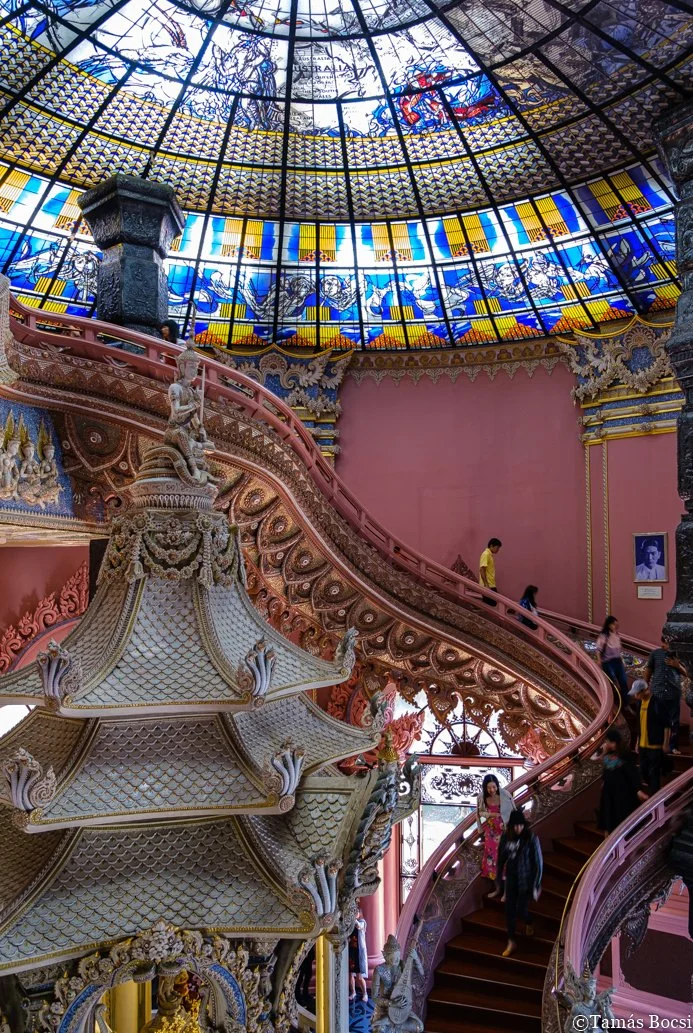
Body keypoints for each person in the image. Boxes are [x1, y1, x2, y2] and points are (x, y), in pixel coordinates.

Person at [496, 809, 543, 958]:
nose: (518, 828)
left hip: (526, 879)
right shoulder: (506, 837)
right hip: (511, 877)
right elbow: (501, 857)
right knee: (509, 910)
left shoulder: (531, 838)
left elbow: (538, 863)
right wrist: (499, 879)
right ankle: (511, 941)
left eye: (520, 825)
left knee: (521, 910)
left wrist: (536, 885)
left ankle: (529, 921)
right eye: (515, 826)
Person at [597, 728, 647, 836]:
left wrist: (638, 790)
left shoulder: (625, 755)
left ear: (614, 742)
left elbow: (632, 774)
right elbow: (606, 773)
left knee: (620, 820)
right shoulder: (607, 756)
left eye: (608, 741)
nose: (606, 743)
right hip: (609, 794)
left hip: (622, 794)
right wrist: (604, 783)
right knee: (608, 820)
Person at [645, 633, 685, 755]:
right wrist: (645, 687)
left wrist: (677, 666)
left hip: (674, 693)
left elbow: (688, 673)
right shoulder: (655, 654)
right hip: (658, 692)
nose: (665, 645)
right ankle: (656, 744)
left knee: (674, 721)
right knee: (656, 720)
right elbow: (648, 671)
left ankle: (673, 746)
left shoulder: (679, 655)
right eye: (664, 642)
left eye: (668, 643)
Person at [476, 774, 514, 892]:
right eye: (489, 788)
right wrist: (490, 814)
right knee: (492, 859)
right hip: (491, 832)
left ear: (497, 786)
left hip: (505, 831)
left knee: (506, 858)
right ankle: (497, 888)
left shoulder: (505, 795)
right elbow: (480, 812)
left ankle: (507, 890)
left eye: (494, 787)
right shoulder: (482, 797)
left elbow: (513, 811)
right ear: (485, 788)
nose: (492, 790)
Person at [634, 680, 672, 794]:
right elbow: (639, 724)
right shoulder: (639, 703)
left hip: (655, 746)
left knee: (654, 774)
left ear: (644, 691)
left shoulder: (657, 703)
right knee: (643, 772)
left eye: (637, 693)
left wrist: (665, 743)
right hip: (642, 746)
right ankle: (654, 794)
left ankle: (654, 797)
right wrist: (637, 742)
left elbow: (667, 725)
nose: (635, 696)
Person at [596, 616, 629, 706]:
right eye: (613, 624)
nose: (616, 626)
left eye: (616, 624)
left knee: (623, 682)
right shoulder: (604, 636)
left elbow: (618, 650)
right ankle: (613, 702)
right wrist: (599, 660)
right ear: (609, 625)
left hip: (618, 661)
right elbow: (598, 649)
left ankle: (626, 704)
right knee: (613, 683)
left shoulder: (617, 634)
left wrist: (622, 661)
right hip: (608, 662)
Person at [348, 907, 368, 1002]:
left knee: (359, 976)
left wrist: (353, 919)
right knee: (350, 974)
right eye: (354, 912)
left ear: (360, 913)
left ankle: (365, 993)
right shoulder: (351, 923)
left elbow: (359, 926)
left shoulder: (362, 922)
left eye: (356, 912)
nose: (355, 913)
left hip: (359, 951)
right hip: (351, 950)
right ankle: (353, 992)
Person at [479, 538, 502, 605]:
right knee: (493, 605)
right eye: (497, 548)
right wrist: (486, 585)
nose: (498, 550)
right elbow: (482, 570)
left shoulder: (490, 555)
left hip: (491, 584)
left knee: (494, 604)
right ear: (491, 546)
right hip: (488, 585)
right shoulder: (486, 554)